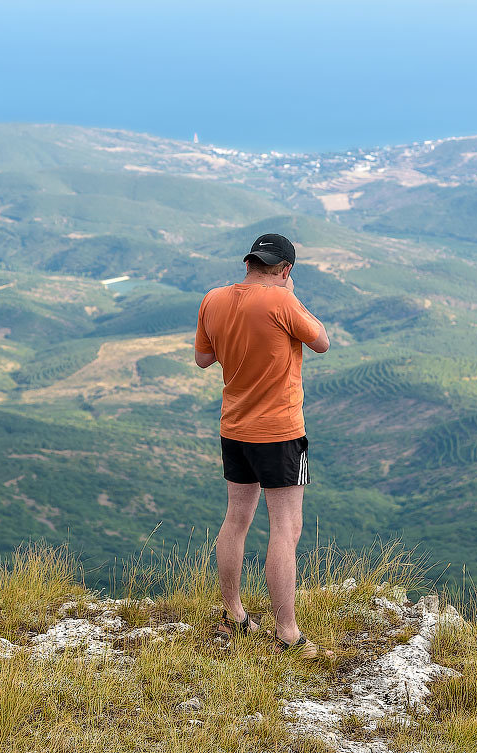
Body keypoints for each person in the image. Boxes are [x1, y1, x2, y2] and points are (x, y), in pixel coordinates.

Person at [194, 232, 333, 660]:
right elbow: (322, 341)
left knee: (236, 519)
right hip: (280, 432)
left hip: (233, 428)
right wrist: (290, 297)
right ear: (285, 269)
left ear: (250, 262)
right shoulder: (282, 301)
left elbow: (203, 359)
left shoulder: (213, 299)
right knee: (286, 528)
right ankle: (287, 633)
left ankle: (234, 613)